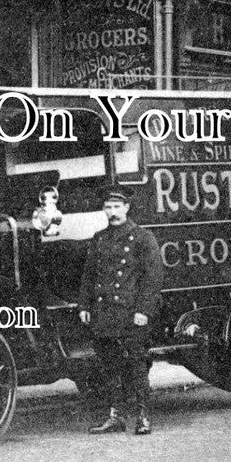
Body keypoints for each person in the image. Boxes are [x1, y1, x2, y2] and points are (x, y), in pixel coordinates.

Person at [78, 186, 164, 435]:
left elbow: (153, 277)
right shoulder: (99, 238)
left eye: (117, 207)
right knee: (109, 368)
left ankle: (143, 416)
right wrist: (84, 305)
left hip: (131, 314)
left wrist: (144, 310)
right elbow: (88, 276)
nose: (112, 212)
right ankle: (115, 417)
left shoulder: (142, 238)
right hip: (104, 313)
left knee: (137, 366)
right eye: (108, 207)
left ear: (126, 207)